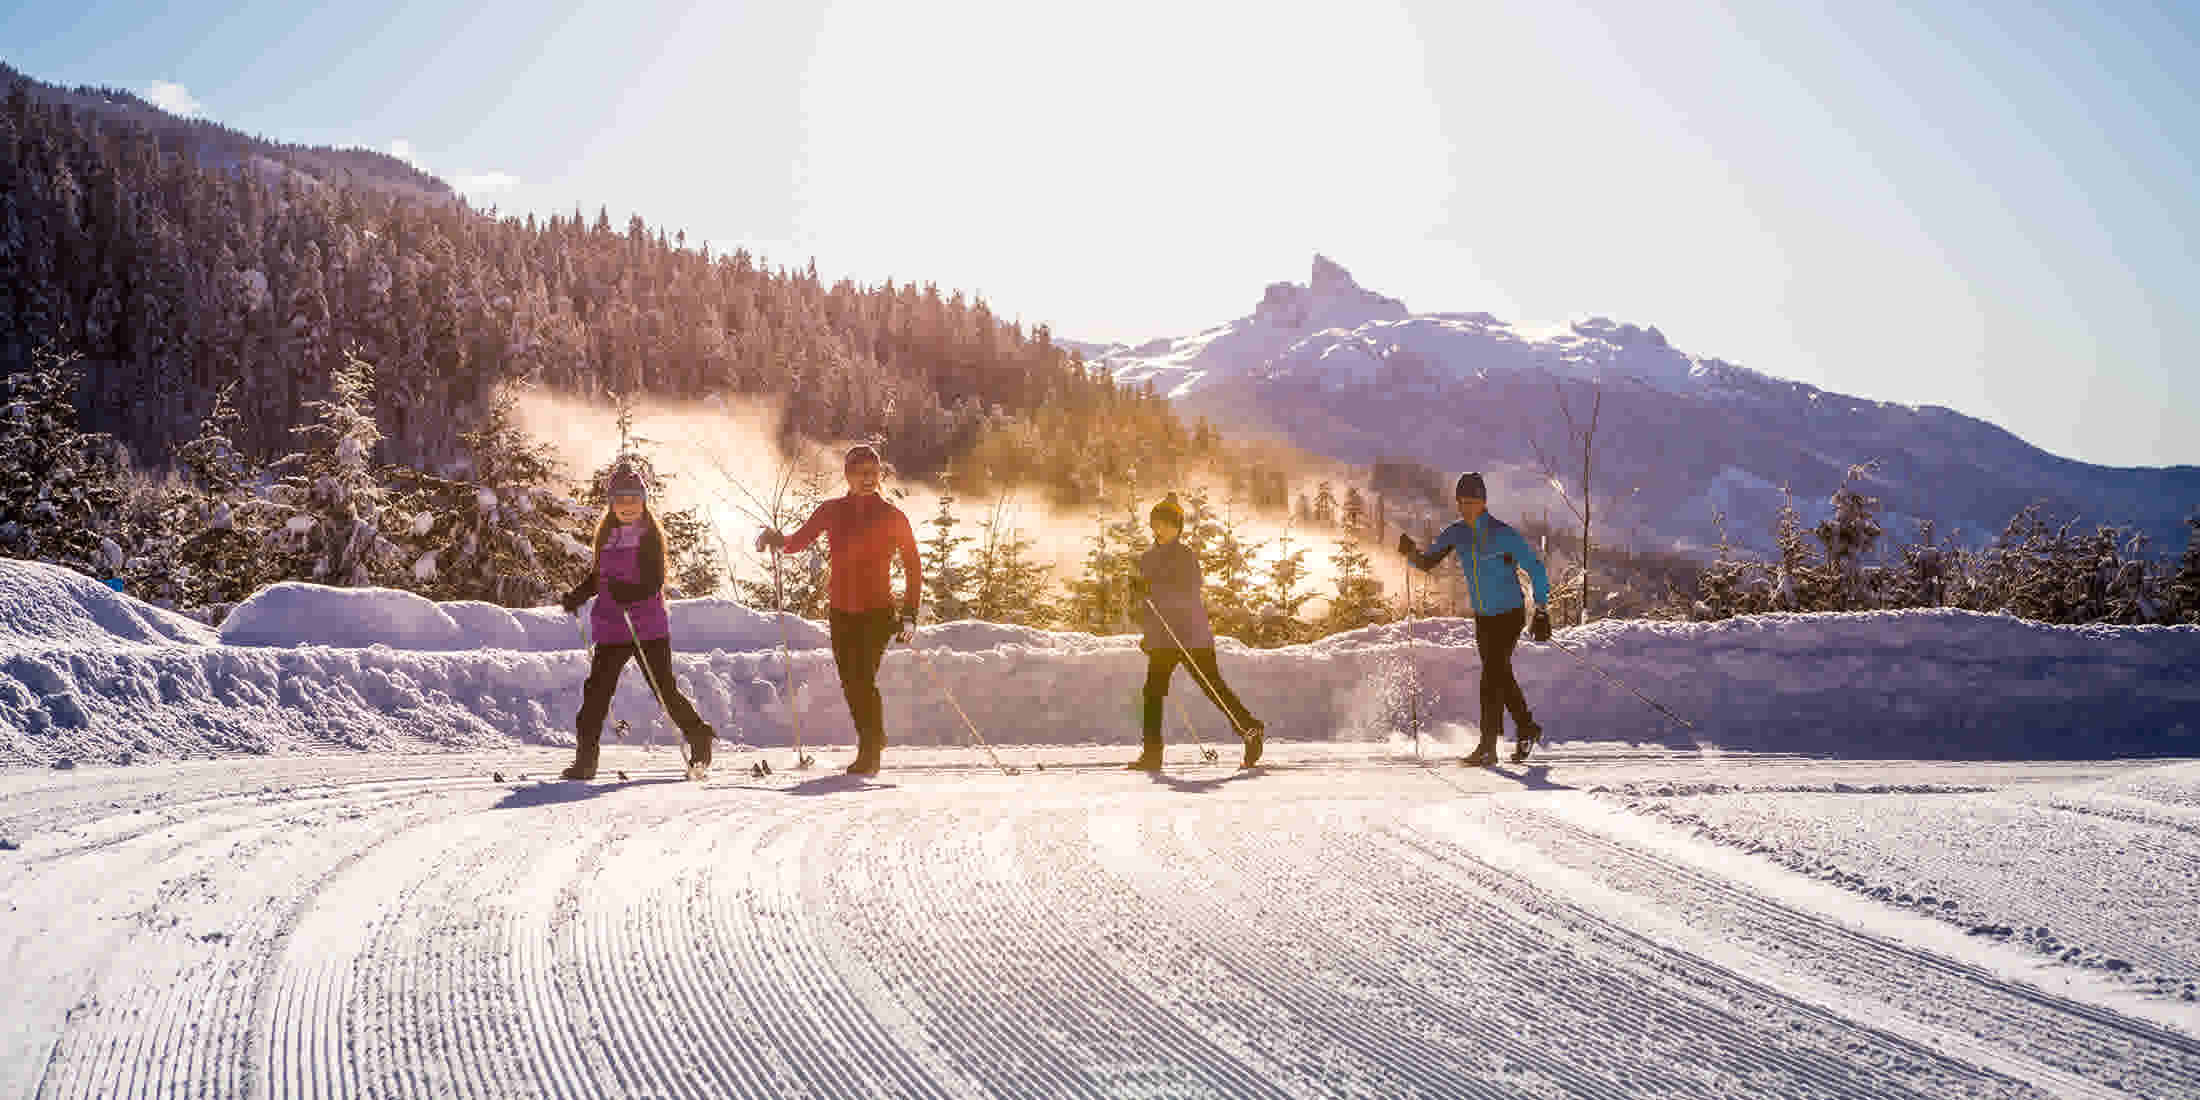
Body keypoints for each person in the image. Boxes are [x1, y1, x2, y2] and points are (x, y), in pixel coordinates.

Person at [755, 445, 921, 776]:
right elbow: (797, 542)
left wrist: (909, 613)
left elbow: (913, 566)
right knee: (851, 682)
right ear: (847, 476)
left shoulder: (892, 516)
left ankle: (871, 747)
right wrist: (775, 539)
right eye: (861, 473)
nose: (868, 479)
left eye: (873, 473)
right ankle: (873, 739)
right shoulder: (832, 511)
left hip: (878, 612)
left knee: (862, 680)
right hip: (842, 612)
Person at [559, 463, 717, 780]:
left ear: (643, 501)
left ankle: (699, 735)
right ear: (611, 503)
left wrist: (628, 593)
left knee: (664, 690)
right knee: (596, 693)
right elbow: (599, 577)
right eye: (621, 500)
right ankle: (585, 760)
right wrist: (579, 594)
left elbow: (654, 581)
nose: (627, 507)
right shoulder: (607, 536)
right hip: (612, 627)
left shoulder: (649, 537)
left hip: (647, 628)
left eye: (633, 500)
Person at [1397, 472, 1553, 765]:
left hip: (1509, 614)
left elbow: (1535, 568)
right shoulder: (1457, 533)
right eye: (1462, 502)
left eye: (1472, 501)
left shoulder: (1502, 533)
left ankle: (1487, 747)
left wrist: (1541, 608)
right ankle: (1527, 727)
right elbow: (1429, 561)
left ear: (1483, 502)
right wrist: (1410, 553)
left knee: (1490, 677)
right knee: (1500, 674)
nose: (1466, 507)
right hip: (1484, 617)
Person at [1130, 493, 1266, 770]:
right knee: (1153, 692)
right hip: (1163, 639)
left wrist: (1151, 591)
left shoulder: (1185, 557)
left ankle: (1251, 730)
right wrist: (1147, 630)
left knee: (1212, 688)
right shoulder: (1147, 559)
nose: (1161, 528)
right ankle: (1152, 753)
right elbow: (1147, 604)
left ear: (1178, 528)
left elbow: (1186, 594)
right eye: (1157, 523)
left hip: (1191, 636)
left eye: (1168, 524)